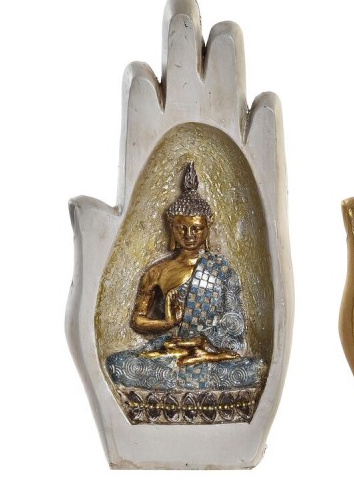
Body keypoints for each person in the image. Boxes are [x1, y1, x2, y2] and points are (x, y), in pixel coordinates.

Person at [106, 162, 266, 393]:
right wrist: (167, 324)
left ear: (208, 227)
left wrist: (204, 343)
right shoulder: (157, 272)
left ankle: (185, 379)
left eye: (196, 228)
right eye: (182, 228)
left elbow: (234, 325)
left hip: (209, 352)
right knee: (118, 364)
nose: (189, 235)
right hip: (170, 350)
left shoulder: (222, 271)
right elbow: (137, 320)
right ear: (171, 227)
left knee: (256, 369)